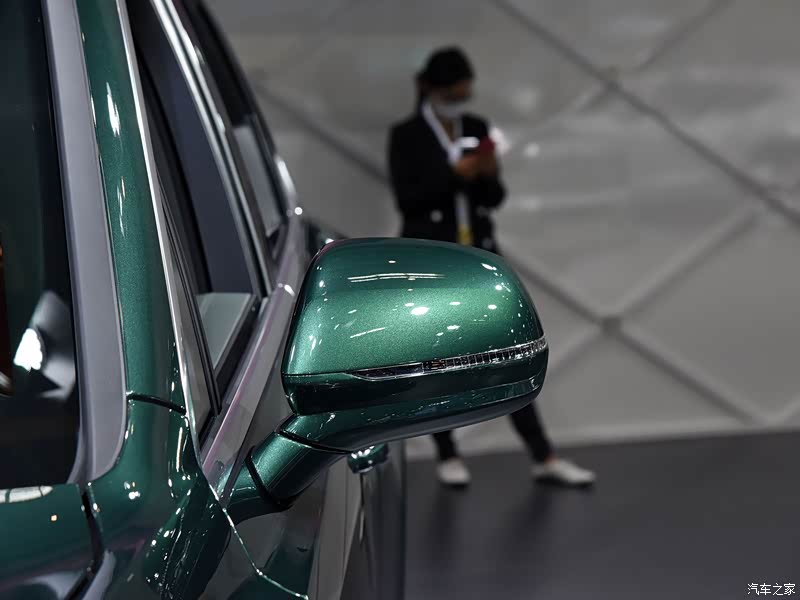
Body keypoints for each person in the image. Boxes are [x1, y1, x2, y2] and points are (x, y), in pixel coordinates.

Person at [387, 47, 595, 488]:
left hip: (479, 253)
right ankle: (447, 451)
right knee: (439, 355)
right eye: (452, 94)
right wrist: (456, 174)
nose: (458, 103)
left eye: (464, 95)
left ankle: (542, 454)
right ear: (431, 88)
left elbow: (495, 197)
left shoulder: (476, 127)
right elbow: (409, 199)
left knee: (508, 349)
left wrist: (484, 173)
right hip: (434, 259)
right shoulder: (407, 135)